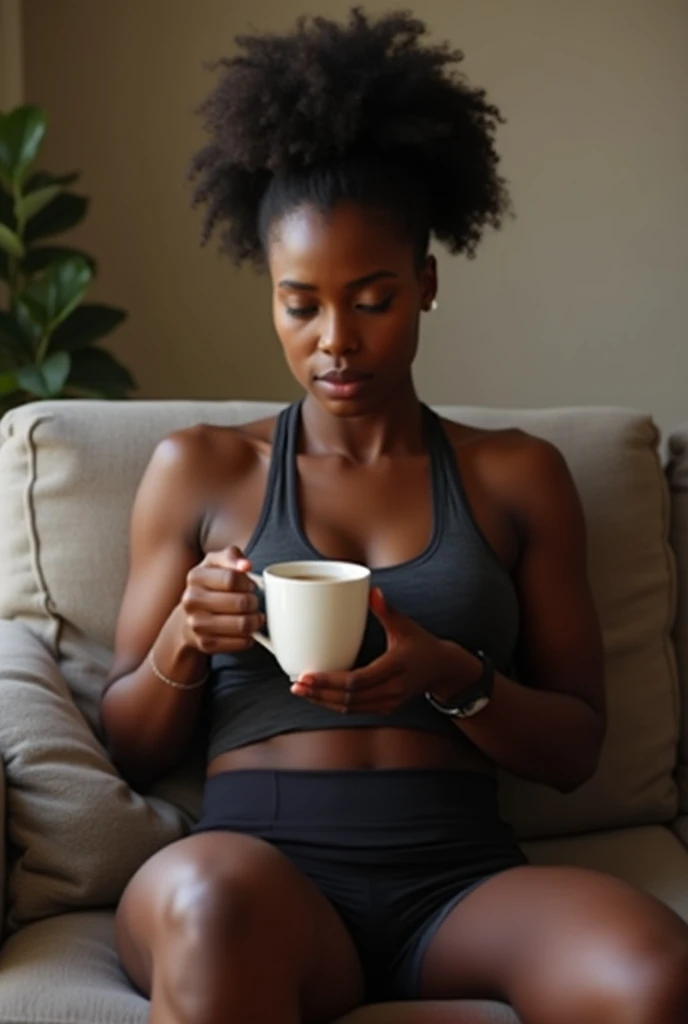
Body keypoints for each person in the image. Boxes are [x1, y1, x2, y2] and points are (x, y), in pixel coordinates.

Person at [100, 8, 688, 1024]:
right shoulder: (198, 466)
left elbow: (573, 746)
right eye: (300, 303)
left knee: (654, 973)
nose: (336, 340)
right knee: (206, 906)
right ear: (272, 300)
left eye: (371, 297)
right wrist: (181, 642)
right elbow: (129, 744)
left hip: (459, 880)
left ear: (423, 283)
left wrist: (455, 677)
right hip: (252, 873)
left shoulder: (517, 477)